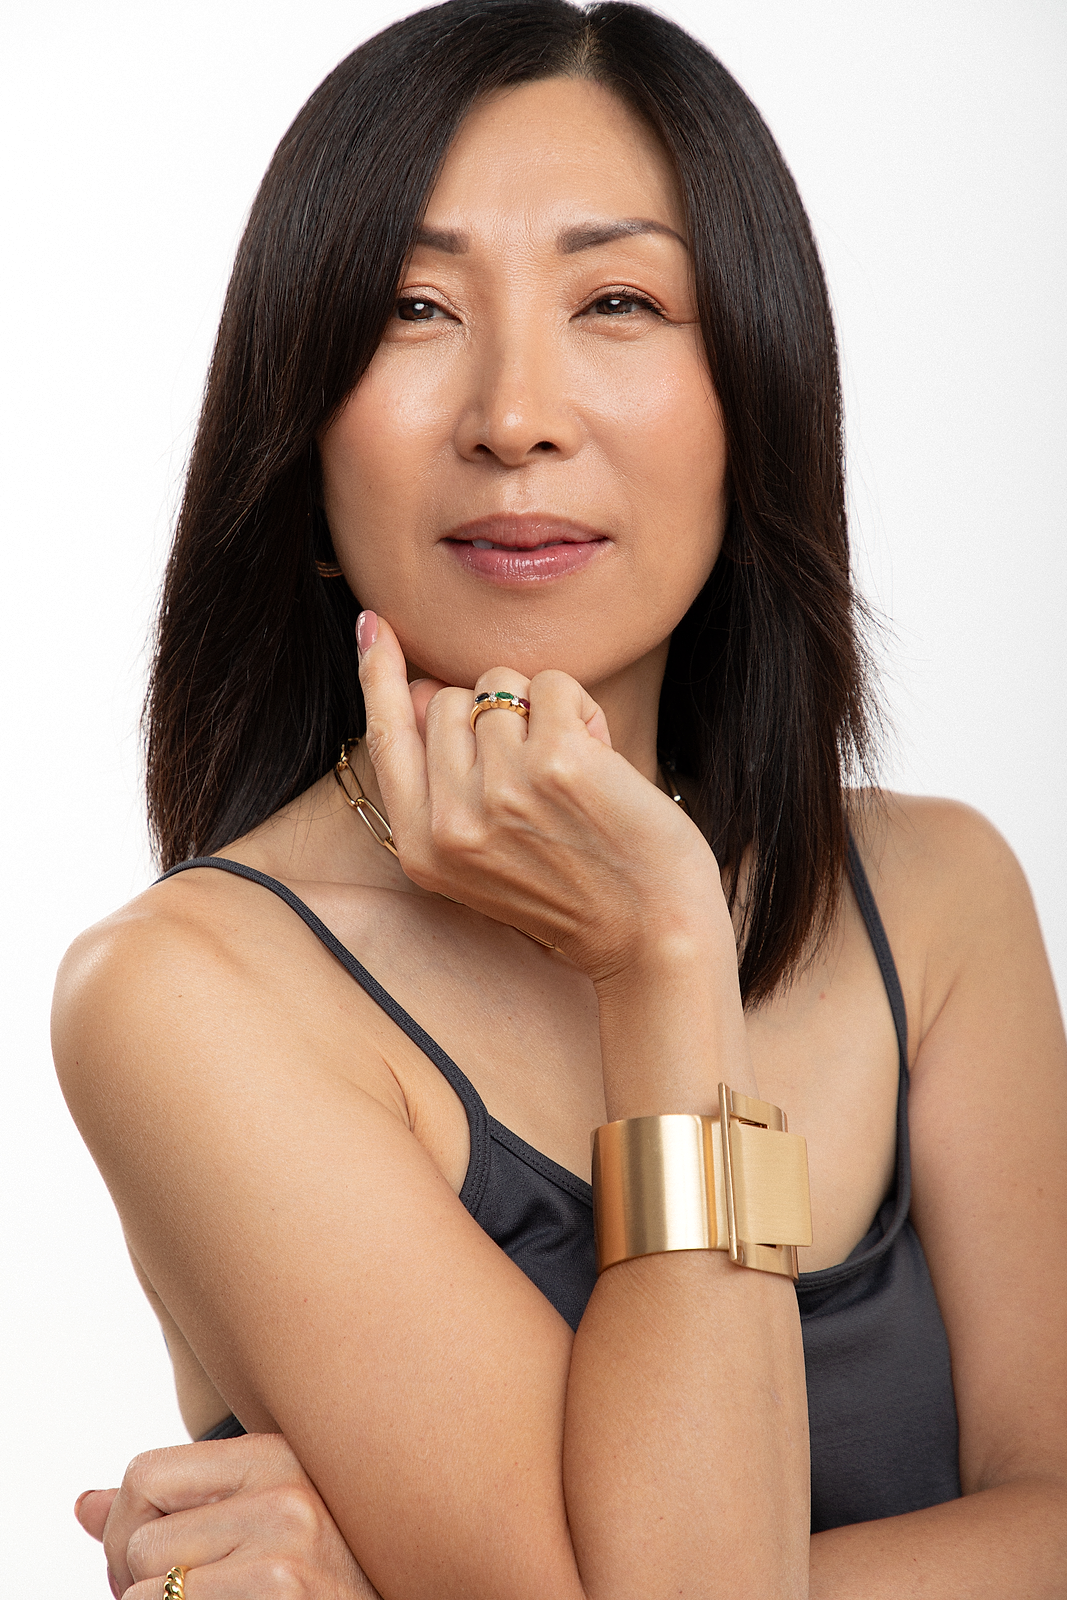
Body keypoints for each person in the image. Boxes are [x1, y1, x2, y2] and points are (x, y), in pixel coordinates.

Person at [53, 1, 1067, 1595]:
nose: (514, 415)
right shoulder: (184, 994)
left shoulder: (937, 898)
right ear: (300, 426)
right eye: (411, 307)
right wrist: (664, 964)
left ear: (754, 395)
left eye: (616, 299)